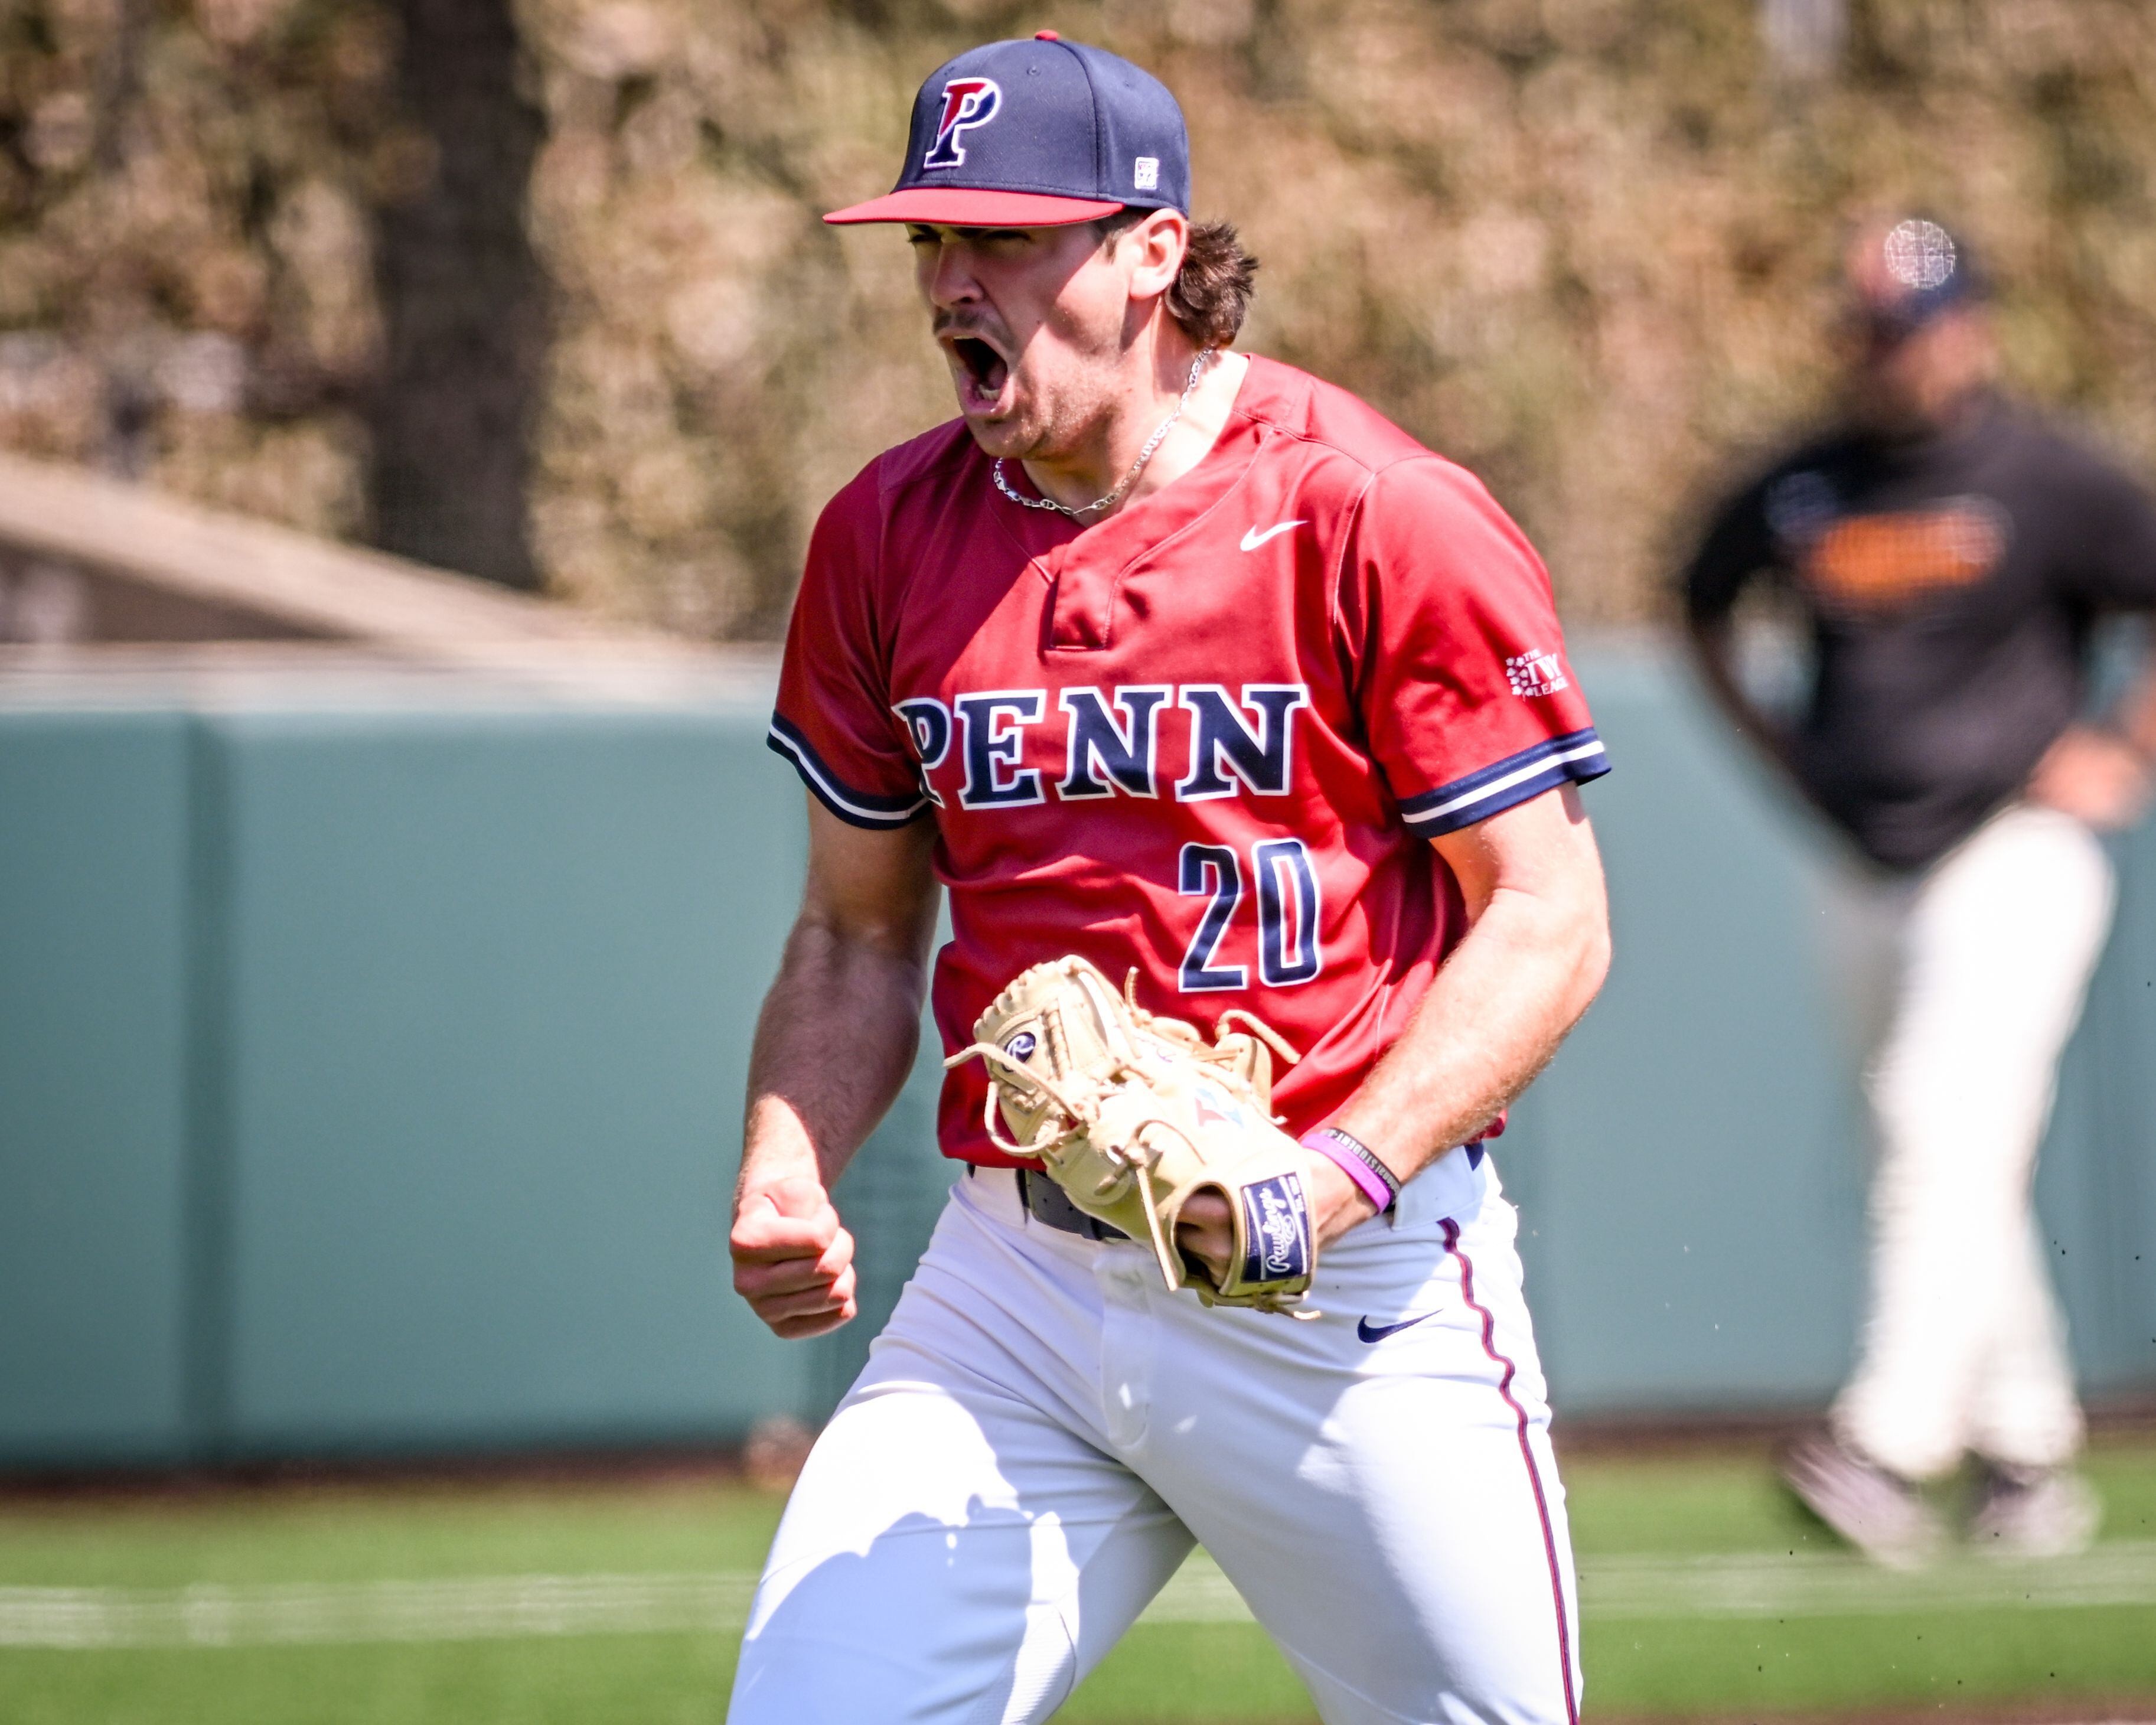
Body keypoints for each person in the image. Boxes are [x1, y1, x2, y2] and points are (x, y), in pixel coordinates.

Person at [728, 34, 1612, 1723]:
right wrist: (787, 1158)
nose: (946, 280)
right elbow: (852, 935)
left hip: (1340, 1289)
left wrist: (1328, 1177)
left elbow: (1547, 916)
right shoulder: (884, 535)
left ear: (1150, 251)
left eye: (998, 236)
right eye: (930, 238)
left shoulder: (1371, 510)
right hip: (1018, 1286)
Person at [1681, 216, 2156, 1567]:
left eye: (1910, 326)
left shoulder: (2046, 475)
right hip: (1860, 862)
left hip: (2010, 850)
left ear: (1972, 326)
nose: (1885, 353)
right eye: (1867, 328)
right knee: (1940, 1152)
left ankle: (1881, 1443)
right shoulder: (1805, 483)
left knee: (1934, 1123)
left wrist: (2121, 744)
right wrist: (1779, 749)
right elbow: (1697, 597)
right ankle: (2025, 1454)